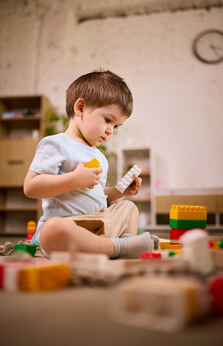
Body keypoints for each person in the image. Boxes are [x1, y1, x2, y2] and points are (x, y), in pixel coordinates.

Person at [24, 70, 156, 258]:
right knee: (51, 230)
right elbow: (31, 188)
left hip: (98, 224)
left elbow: (96, 194)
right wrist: (74, 180)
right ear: (80, 108)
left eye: (116, 126)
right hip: (70, 225)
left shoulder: (99, 156)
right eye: (108, 120)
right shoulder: (56, 144)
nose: (110, 131)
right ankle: (120, 248)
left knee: (129, 208)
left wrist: (119, 192)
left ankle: (121, 243)